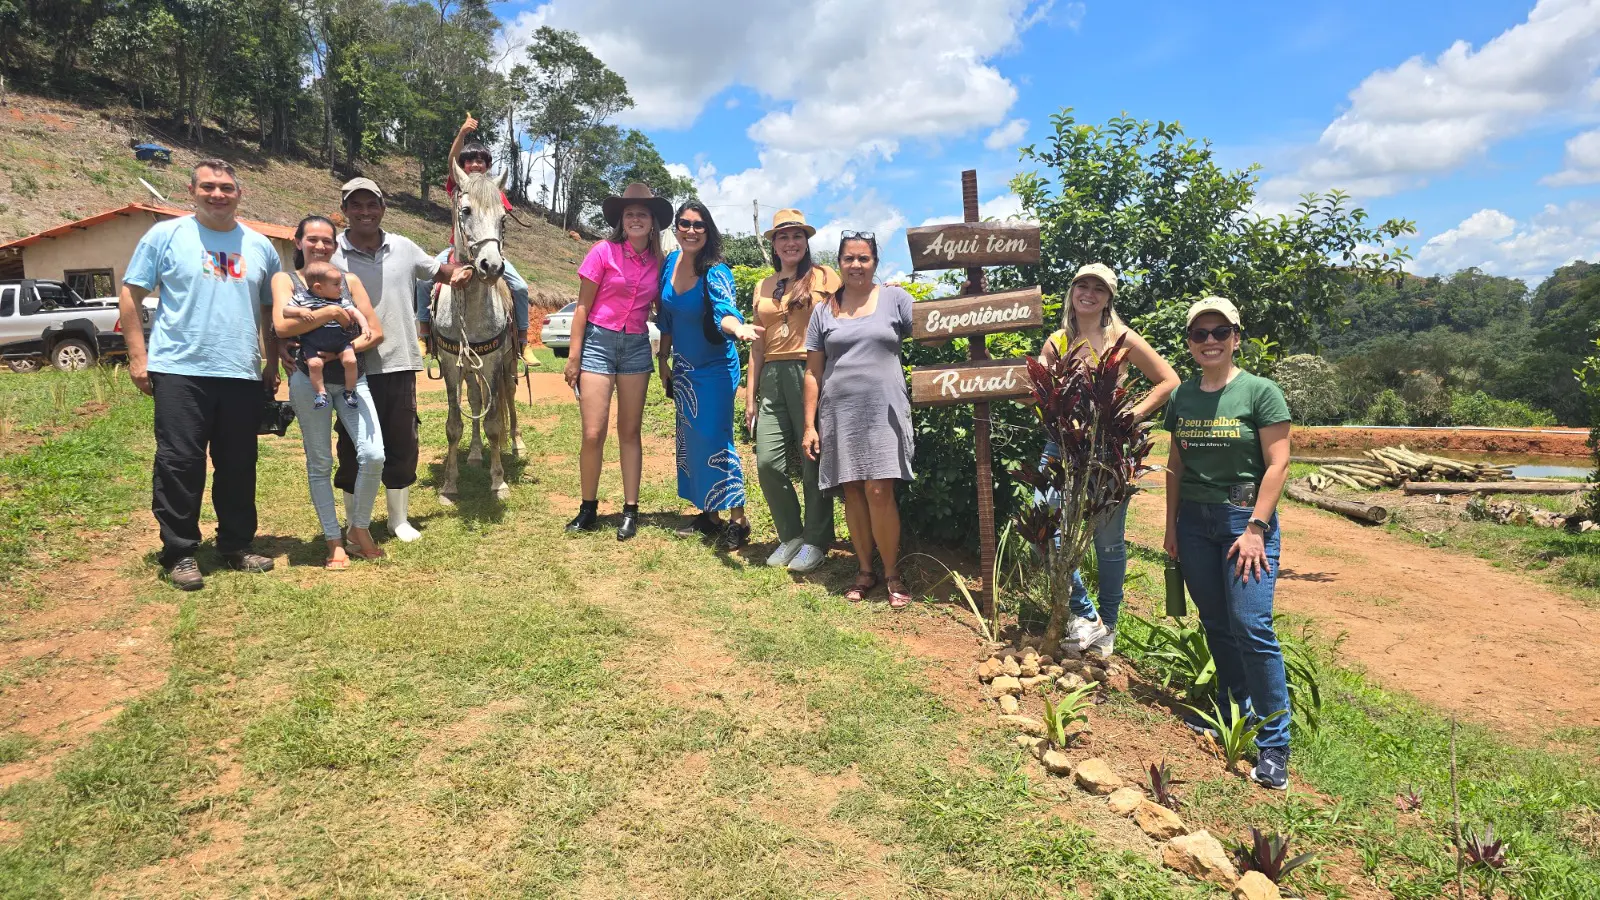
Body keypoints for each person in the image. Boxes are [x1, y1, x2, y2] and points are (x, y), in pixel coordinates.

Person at [116, 159, 281, 591]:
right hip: (179, 370)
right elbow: (130, 294)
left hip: (240, 372)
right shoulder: (165, 235)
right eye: (208, 186)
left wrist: (271, 363)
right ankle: (181, 551)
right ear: (192, 191)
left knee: (239, 464)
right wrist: (139, 357)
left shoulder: (261, 246)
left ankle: (236, 545)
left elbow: (269, 311)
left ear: (239, 194)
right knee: (180, 463)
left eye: (227, 187)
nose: (218, 194)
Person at [1161, 296, 1294, 790]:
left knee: (1251, 623)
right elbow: (1176, 464)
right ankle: (1233, 713)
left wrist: (1257, 527)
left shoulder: (1261, 392)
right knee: (1216, 621)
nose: (1211, 341)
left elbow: (1278, 463)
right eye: (1200, 334)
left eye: (1221, 332)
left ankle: (1275, 743)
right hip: (1194, 521)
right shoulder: (1182, 397)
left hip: (1244, 519)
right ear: (1191, 343)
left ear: (1237, 337)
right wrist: (1172, 525)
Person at [1038, 263, 1180, 656]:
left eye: (1098, 287)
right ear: (1071, 292)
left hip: (1110, 451)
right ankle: (1086, 616)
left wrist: (1131, 415)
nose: (1089, 292)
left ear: (1109, 297)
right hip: (1063, 448)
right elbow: (1041, 394)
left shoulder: (1123, 338)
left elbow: (1168, 380)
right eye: (1082, 284)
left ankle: (1108, 627)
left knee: (1109, 542)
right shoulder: (1057, 341)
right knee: (1045, 521)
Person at [332, 177, 470, 542]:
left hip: (398, 361)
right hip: (350, 365)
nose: (365, 212)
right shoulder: (332, 253)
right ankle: (353, 521)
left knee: (402, 441)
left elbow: (440, 271)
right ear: (344, 210)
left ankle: (398, 519)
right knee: (350, 444)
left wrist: (462, 272)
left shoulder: (404, 247)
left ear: (383, 208)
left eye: (372, 204)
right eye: (356, 205)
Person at [802, 233, 916, 609]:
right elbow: (813, 372)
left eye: (864, 258)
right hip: (839, 412)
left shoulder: (895, 299)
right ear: (839, 262)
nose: (856, 265)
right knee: (851, 490)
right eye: (849, 258)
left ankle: (893, 572)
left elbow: (932, 334)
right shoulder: (824, 310)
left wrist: (965, 294)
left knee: (880, 490)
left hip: (884, 410)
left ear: (875, 263)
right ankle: (865, 570)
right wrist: (809, 424)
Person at [272, 216, 387, 569]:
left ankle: (359, 529)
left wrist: (342, 347)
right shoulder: (285, 280)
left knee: (374, 454)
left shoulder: (348, 280)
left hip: (353, 378)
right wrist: (332, 313)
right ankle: (333, 540)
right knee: (320, 463)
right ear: (298, 242)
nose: (321, 246)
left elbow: (376, 332)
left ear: (335, 246)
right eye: (313, 239)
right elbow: (281, 324)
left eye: (327, 240)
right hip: (309, 380)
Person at [563, 183, 671, 540]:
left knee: (630, 430)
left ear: (652, 222)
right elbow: (582, 307)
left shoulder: (660, 263)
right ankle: (588, 508)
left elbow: (663, 307)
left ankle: (630, 510)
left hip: (637, 346)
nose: (636, 219)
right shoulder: (602, 252)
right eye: (630, 214)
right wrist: (574, 358)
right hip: (598, 342)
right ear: (622, 221)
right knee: (593, 432)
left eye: (642, 214)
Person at [658, 201, 763, 548]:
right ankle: (709, 514)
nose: (690, 230)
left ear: (709, 230)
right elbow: (667, 318)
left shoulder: (716, 271)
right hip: (684, 369)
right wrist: (663, 359)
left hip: (716, 369)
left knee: (717, 442)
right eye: (684, 223)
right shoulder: (671, 263)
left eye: (698, 225)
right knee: (692, 442)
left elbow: (724, 312)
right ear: (676, 228)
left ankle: (739, 520)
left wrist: (738, 328)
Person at [747, 209, 839, 573]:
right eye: (783, 236)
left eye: (797, 236)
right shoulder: (763, 286)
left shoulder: (824, 277)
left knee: (813, 459)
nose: (790, 242)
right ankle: (791, 534)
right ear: (773, 243)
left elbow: (851, 306)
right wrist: (751, 395)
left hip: (811, 371)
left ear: (806, 241)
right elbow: (756, 344)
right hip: (771, 374)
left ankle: (816, 539)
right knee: (768, 461)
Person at [447, 114, 537, 366]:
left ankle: (522, 341)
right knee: (423, 284)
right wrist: (462, 133)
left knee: (519, 287)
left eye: (481, 161)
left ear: (487, 166)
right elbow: (450, 161)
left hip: (489, 250)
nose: (475, 165)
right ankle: (424, 335)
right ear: (462, 166)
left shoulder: (495, 192)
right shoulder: (458, 187)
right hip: (457, 252)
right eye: (469, 161)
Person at [285, 261, 368, 409]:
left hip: (339, 340)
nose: (341, 288)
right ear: (318, 287)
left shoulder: (340, 300)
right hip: (312, 342)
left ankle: (350, 392)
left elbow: (354, 312)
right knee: (314, 364)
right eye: (336, 284)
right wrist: (300, 311)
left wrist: (364, 325)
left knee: (351, 361)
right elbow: (286, 310)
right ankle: (320, 393)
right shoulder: (302, 298)